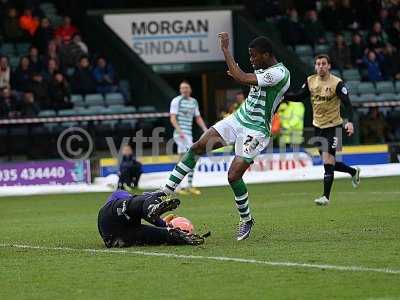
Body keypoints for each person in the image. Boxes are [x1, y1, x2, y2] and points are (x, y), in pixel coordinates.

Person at [151, 34, 290, 241]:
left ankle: (246, 219)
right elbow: (244, 77)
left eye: (253, 56)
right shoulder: (262, 69)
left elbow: (243, 77)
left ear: (266, 54)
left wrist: (225, 50)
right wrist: (237, 72)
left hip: (256, 130)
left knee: (233, 176)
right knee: (197, 147)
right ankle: (165, 192)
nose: (251, 60)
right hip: (238, 120)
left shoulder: (279, 73)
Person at [284, 54, 360, 206]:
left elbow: (348, 105)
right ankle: (353, 172)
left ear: (329, 66)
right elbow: (300, 96)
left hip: (334, 126)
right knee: (330, 162)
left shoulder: (337, 83)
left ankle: (326, 197)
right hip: (317, 126)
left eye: (323, 64)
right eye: (318, 64)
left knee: (327, 160)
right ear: (315, 66)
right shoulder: (311, 81)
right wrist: (283, 96)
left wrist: (350, 122)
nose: (320, 66)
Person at [97, 190, 204, 247]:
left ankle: (177, 235)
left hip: (117, 237)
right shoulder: (119, 194)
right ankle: (151, 206)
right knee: (147, 199)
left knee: (165, 235)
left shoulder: (140, 205)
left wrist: (168, 227)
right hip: (109, 217)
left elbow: (148, 215)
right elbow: (138, 207)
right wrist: (150, 199)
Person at [169, 80, 207, 196]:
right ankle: (179, 186)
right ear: (180, 90)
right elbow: (173, 118)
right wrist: (179, 131)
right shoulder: (176, 100)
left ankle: (186, 186)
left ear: (190, 89)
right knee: (188, 158)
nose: (184, 90)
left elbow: (198, 117)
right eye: (182, 88)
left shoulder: (193, 102)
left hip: (188, 134)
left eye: (186, 88)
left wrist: (205, 129)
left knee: (189, 158)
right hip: (180, 134)